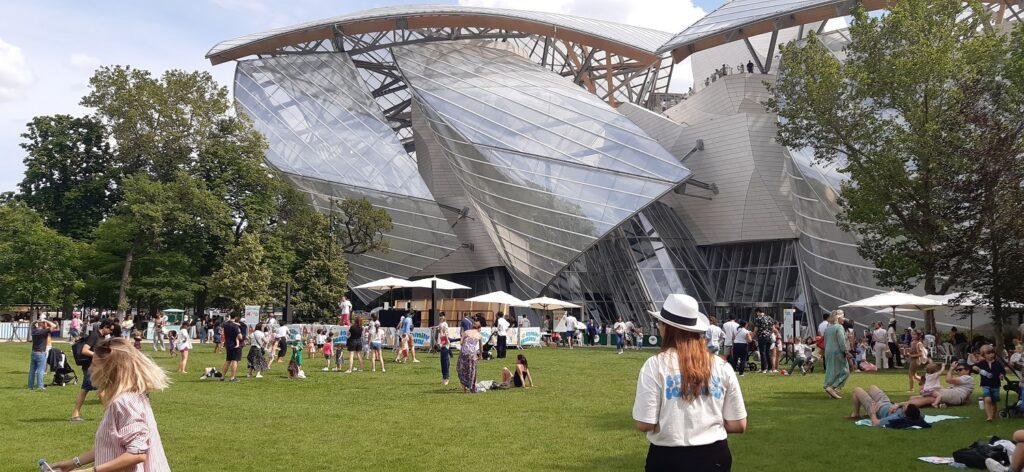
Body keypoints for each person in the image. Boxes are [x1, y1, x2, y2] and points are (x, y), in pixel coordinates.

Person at [633, 294, 747, 472]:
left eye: (660, 323)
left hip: (668, 457)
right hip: (714, 456)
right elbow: (738, 424)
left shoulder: (655, 365)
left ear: (667, 328)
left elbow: (644, 422)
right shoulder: (721, 366)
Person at [50, 337, 170, 472]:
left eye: (95, 364)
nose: (90, 369)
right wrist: (74, 463)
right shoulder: (128, 397)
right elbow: (111, 445)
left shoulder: (123, 402)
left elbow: (137, 453)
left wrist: (89, 471)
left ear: (111, 369)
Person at [71, 319, 116, 422]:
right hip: (90, 368)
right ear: (105, 327)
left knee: (87, 390)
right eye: (110, 330)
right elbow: (84, 350)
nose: (111, 332)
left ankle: (75, 414)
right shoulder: (94, 335)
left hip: (96, 367)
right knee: (99, 390)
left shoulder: (102, 337)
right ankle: (109, 414)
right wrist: (98, 355)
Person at [846, 385, 928, 429]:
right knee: (872, 387)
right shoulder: (918, 415)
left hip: (876, 408)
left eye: (905, 406)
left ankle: (855, 414)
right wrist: (898, 405)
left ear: (904, 413)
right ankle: (857, 413)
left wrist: (873, 412)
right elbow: (916, 412)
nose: (905, 404)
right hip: (886, 402)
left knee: (857, 390)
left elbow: (875, 423)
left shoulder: (895, 417)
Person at [904, 361, 975, 409]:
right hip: (955, 395)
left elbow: (948, 380)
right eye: (957, 370)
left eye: (960, 369)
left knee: (930, 398)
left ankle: (904, 404)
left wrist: (951, 368)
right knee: (931, 397)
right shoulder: (965, 379)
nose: (958, 371)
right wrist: (966, 400)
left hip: (956, 395)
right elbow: (968, 392)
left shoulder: (967, 377)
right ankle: (909, 403)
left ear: (967, 370)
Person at [974, 345, 1006, 422]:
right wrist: (975, 368)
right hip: (985, 384)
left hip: (995, 384)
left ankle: (993, 415)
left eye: (992, 353)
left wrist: (1001, 375)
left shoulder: (997, 363)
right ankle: (989, 417)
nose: (991, 355)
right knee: (987, 399)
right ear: (983, 355)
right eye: (988, 353)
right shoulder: (982, 363)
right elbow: (974, 367)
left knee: (994, 402)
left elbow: (1003, 371)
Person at [823, 310, 850, 399]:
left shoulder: (828, 328)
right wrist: (846, 351)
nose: (844, 320)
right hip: (837, 351)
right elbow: (841, 341)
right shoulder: (839, 327)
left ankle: (829, 387)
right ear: (839, 318)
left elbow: (825, 342)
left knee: (831, 370)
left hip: (828, 351)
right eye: (843, 318)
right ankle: (832, 387)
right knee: (845, 371)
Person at [29, 318, 57, 390]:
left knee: (32, 370)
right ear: (43, 324)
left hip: (33, 352)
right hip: (41, 353)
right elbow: (54, 325)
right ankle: (40, 387)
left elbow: (32, 324)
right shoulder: (44, 331)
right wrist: (46, 321)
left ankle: (30, 387)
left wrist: (36, 321)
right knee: (41, 370)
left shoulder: (34, 330)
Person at [458, 320, 483, 393]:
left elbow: (461, 342)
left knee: (462, 370)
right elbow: (481, 348)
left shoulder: (466, 332)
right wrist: (480, 355)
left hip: (464, 354)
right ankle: (472, 387)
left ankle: (464, 388)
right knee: (472, 371)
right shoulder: (479, 335)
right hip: (473, 355)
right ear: (479, 328)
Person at [220, 314, 243, 382]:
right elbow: (240, 337)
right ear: (235, 317)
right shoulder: (235, 326)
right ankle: (232, 377)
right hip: (235, 345)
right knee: (235, 361)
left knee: (228, 361)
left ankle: (222, 376)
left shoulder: (225, 324)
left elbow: (222, 333)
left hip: (228, 344)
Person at [436, 313, 451, 385]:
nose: (441, 317)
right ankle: (444, 376)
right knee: (443, 361)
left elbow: (445, 334)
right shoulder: (440, 324)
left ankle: (446, 377)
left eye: (442, 316)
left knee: (445, 361)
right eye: (440, 316)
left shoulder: (444, 324)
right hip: (442, 343)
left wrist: (447, 342)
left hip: (444, 342)